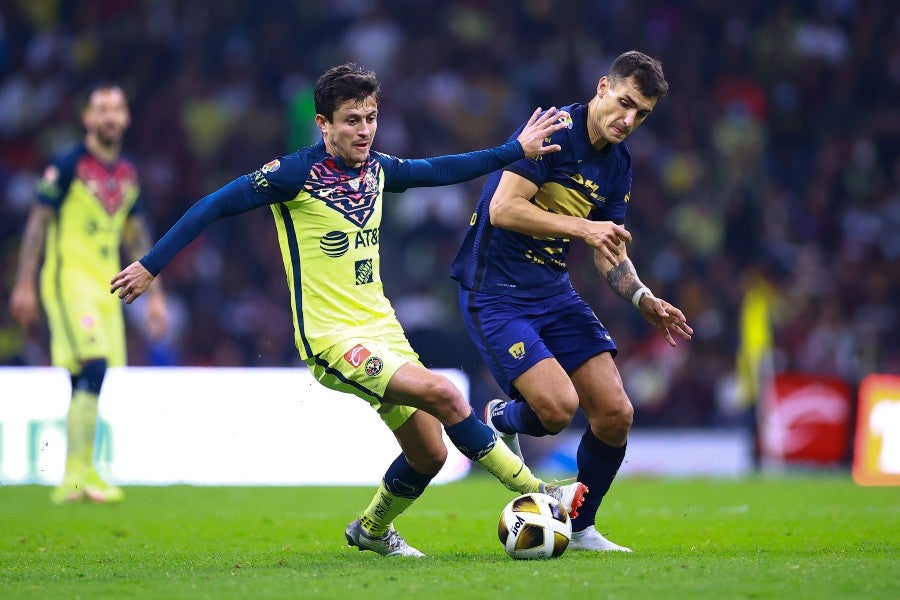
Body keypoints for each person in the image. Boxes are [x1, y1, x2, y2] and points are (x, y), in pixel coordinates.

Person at [109, 63, 586, 557]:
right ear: (323, 125)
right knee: (445, 393)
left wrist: (514, 152)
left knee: (430, 454)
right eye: (351, 120)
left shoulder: (378, 170)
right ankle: (542, 491)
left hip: (382, 327)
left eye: (370, 118)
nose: (364, 130)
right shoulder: (294, 174)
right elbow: (212, 204)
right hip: (332, 338)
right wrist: (150, 265)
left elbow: (442, 168)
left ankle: (371, 530)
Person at [451, 50, 694, 552]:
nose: (629, 120)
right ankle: (501, 418)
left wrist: (643, 297)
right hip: (495, 291)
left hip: (553, 290)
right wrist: (583, 228)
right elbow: (503, 208)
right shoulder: (553, 131)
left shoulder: (619, 165)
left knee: (614, 413)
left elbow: (608, 248)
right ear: (603, 88)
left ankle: (580, 526)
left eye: (642, 114)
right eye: (625, 102)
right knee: (558, 410)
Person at [9, 83, 169, 504]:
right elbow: (37, 223)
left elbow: (137, 236)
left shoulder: (129, 173)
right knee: (93, 367)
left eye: (117, 109)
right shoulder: (66, 165)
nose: (110, 117)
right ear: (88, 118)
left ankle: (78, 476)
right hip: (67, 283)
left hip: (107, 287)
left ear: (126, 118)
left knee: (87, 377)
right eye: (101, 109)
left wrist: (156, 297)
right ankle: (78, 475)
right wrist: (24, 282)